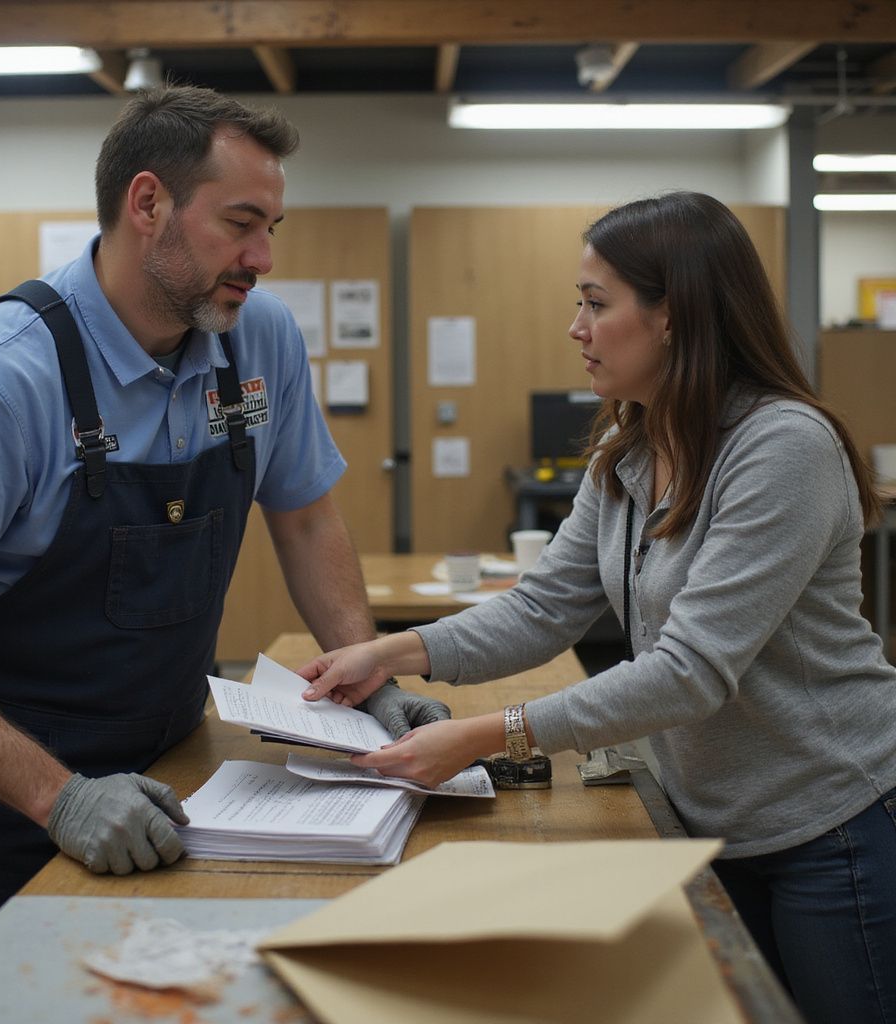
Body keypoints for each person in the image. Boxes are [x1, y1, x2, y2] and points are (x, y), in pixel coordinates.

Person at [0, 84, 448, 984]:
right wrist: (57, 799)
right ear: (148, 204)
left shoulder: (259, 342)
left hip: (177, 774)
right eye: (241, 223)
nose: (262, 257)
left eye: (274, 229)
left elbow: (303, 515)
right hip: (0, 802)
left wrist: (363, 672)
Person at [298, 192, 896, 1024]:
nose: (575, 327)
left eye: (595, 304)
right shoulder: (631, 452)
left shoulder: (783, 448)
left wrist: (477, 737)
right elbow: (543, 608)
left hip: (830, 822)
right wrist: (389, 654)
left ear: (674, 317)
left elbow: (688, 673)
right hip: (709, 815)